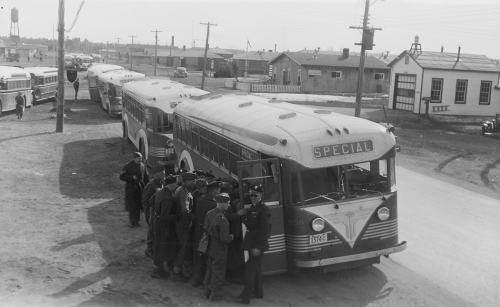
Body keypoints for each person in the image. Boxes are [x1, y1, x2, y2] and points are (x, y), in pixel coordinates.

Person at [236, 185, 270, 305]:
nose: (253, 197)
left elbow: (265, 230)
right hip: (252, 243)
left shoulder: (263, 209)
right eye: (251, 195)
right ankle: (258, 292)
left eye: (255, 195)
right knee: (256, 269)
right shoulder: (253, 207)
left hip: (256, 245)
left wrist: (258, 247)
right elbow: (250, 224)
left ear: (261, 195)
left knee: (250, 271)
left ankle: (246, 297)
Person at [203, 193, 234, 301]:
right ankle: (215, 294)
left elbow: (205, 227)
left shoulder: (209, 213)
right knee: (218, 271)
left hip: (210, 245)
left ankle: (207, 291)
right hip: (219, 249)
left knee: (210, 269)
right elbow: (224, 239)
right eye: (227, 203)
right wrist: (231, 236)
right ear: (220, 203)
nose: (228, 205)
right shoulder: (223, 219)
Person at [191, 181, 222, 287]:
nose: (220, 191)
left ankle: (197, 278)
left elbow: (193, 214)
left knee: (199, 253)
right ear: (213, 190)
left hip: (199, 229)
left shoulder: (199, 200)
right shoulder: (214, 204)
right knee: (209, 254)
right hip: (209, 231)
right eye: (218, 189)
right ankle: (206, 280)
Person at [151, 175, 180, 279]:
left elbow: (151, 201)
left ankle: (158, 269)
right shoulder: (167, 198)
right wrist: (178, 215)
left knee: (159, 246)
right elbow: (166, 217)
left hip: (158, 223)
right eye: (176, 183)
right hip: (164, 226)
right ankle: (157, 271)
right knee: (162, 247)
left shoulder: (160, 192)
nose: (177, 185)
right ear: (171, 184)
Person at [172, 172, 197, 282]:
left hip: (179, 222)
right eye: (193, 181)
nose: (194, 183)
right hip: (183, 224)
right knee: (183, 247)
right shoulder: (184, 193)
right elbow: (184, 210)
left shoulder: (181, 189)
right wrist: (191, 219)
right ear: (186, 182)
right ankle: (176, 271)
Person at [119, 152, 149, 228]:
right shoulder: (128, 166)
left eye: (141, 158)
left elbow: (146, 177)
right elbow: (122, 176)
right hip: (131, 189)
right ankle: (132, 222)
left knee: (138, 205)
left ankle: (137, 221)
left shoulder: (143, 166)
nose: (140, 160)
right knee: (132, 206)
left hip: (140, 188)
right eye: (139, 158)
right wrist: (132, 177)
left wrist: (147, 186)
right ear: (134, 158)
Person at [142, 166, 165, 258]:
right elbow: (144, 200)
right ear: (156, 175)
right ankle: (149, 250)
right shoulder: (151, 185)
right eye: (162, 174)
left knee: (156, 231)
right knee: (152, 231)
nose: (164, 175)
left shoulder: (161, 183)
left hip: (157, 212)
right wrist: (149, 211)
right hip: (151, 212)